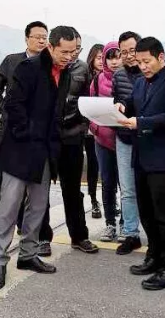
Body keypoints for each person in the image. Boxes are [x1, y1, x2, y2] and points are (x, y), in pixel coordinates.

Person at [0, 26, 77, 290]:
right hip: (20, 148)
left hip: (46, 150)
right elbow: (13, 106)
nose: (69, 57)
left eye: (73, 52)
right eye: (64, 52)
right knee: (9, 206)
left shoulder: (66, 72)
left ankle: (28, 254)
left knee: (38, 206)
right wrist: (27, 134)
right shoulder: (29, 68)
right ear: (51, 46)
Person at [116, 37, 165, 291]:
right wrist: (123, 106)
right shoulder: (140, 82)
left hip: (163, 159)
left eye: (147, 61)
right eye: (139, 62)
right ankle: (154, 256)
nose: (143, 66)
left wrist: (141, 123)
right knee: (146, 211)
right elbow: (133, 102)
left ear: (160, 57)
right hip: (142, 157)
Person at [0, 21, 51, 245]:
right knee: (2, 181)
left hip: (37, 135)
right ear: (27, 38)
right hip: (9, 130)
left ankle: (30, 230)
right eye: (37, 36)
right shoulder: (12, 61)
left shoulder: (49, 64)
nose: (41, 40)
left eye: (45, 37)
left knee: (36, 186)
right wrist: (3, 109)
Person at [56, 27, 99, 254]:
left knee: (72, 190)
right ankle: (41, 238)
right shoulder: (46, 68)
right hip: (48, 137)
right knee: (38, 191)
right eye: (67, 50)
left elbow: (88, 100)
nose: (72, 54)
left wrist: (82, 127)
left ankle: (79, 236)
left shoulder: (82, 68)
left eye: (77, 49)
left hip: (73, 136)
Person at [90, 42, 125, 243]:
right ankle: (110, 223)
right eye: (110, 57)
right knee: (108, 183)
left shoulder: (129, 78)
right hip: (102, 141)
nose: (114, 62)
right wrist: (96, 129)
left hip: (125, 139)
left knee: (125, 185)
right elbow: (91, 108)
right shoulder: (97, 80)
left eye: (118, 56)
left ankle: (125, 224)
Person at [112, 31, 143, 254]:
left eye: (132, 50)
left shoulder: (151, 72)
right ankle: (131, 233)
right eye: (124, 52)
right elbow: (117, 100)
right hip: (124, 137)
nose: (129, 55)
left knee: (152, 188)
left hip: (147, 136)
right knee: (127, 190)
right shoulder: (119, 75)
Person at [85, 43, 105, 219]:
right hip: (89, 128)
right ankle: (93, 200)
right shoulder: (86, 76)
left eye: (103, 57)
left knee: (106, 168)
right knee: (93, 164)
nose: (101, 61)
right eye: (98, 57)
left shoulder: (111, 77)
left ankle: (109, 200)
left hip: (106, 128)